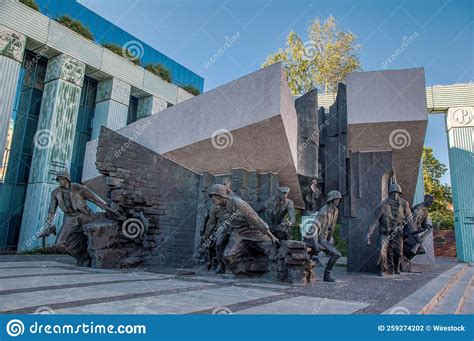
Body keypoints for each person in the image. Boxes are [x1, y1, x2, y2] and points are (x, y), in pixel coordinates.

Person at [40, 170, 119, 267]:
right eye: (59, 180)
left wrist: (106, 208)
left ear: (67, 179)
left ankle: (93, 260)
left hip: (84, 216)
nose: (60, 181)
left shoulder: (77, 187)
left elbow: (94, 199)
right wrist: (48, 224)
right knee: (59, 244)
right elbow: (51, 210)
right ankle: (81, 255)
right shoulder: (55, 193)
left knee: (90, 239)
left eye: (62, 179)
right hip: (70, 219)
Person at [208, 184, 279, 274]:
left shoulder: (238, 203)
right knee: (227, 256)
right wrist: (207, 237)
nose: (213, 198)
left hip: (253, 230)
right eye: (212, 196)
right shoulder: (216, 208)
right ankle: (243, 271)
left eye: (215, 196)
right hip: (238, 232)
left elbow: (254, 218)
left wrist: (270, 235)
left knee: (271, 250)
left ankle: (280, 270)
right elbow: (212, 223)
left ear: (222, 196)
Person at [365, 183, 414, 276]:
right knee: (381, 250)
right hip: (385, 232)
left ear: (399, 193)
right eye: (393, 193)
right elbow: (374, 222)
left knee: (398, 252)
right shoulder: (382, 205)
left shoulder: (404, 204)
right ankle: (382, 269)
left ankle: (396, 268)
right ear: (389, 193)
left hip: (398, 232)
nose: (395, 195)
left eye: (397, 192)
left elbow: (409, 218)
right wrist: (368, 234)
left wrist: (412, 231)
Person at [304, 190, 342, 282]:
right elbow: (314, 228)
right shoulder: (323, 211)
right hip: (313, 239)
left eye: (339, 199)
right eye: (336, 199)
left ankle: (326, 275)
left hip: (324, 239)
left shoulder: (335, 211)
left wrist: (329, 239)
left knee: (336, 254)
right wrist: (316, 244)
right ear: (331, 200)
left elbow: (330, 227)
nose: (338, 201)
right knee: (336, 254)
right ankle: (326, 275)